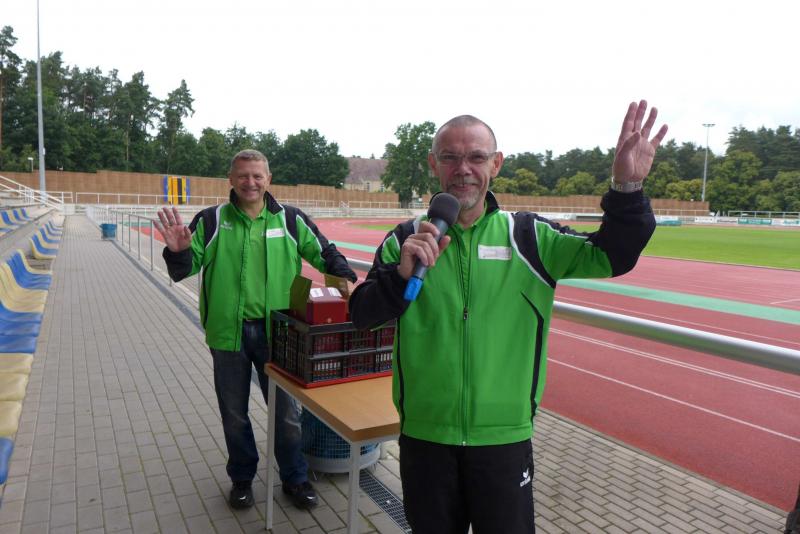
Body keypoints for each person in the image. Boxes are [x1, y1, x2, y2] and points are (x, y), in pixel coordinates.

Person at [349, 101, 667, 534]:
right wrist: (400, 276)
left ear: (496, 164)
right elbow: (362, 316)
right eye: (450, 157)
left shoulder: (530, 237)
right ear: (433, 165)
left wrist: (627, 189)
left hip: (504, 441)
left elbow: (614, 254)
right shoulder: (404, 240)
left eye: (476, 157)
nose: (464, 169)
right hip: (425, 439)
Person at [156, 149, 357, 510]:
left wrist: (344, 278)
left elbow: (324, 252)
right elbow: (183, 268)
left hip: (280, 336)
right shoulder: (211, 220)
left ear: (268, 179)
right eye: (243, 175)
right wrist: (178, 252)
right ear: (231, 179)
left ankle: (294, 478)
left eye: (257, 175)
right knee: (234, 414)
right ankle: (242, 479)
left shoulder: (290, 220)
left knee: (287, 415)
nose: (250, 182)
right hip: (228, 334)